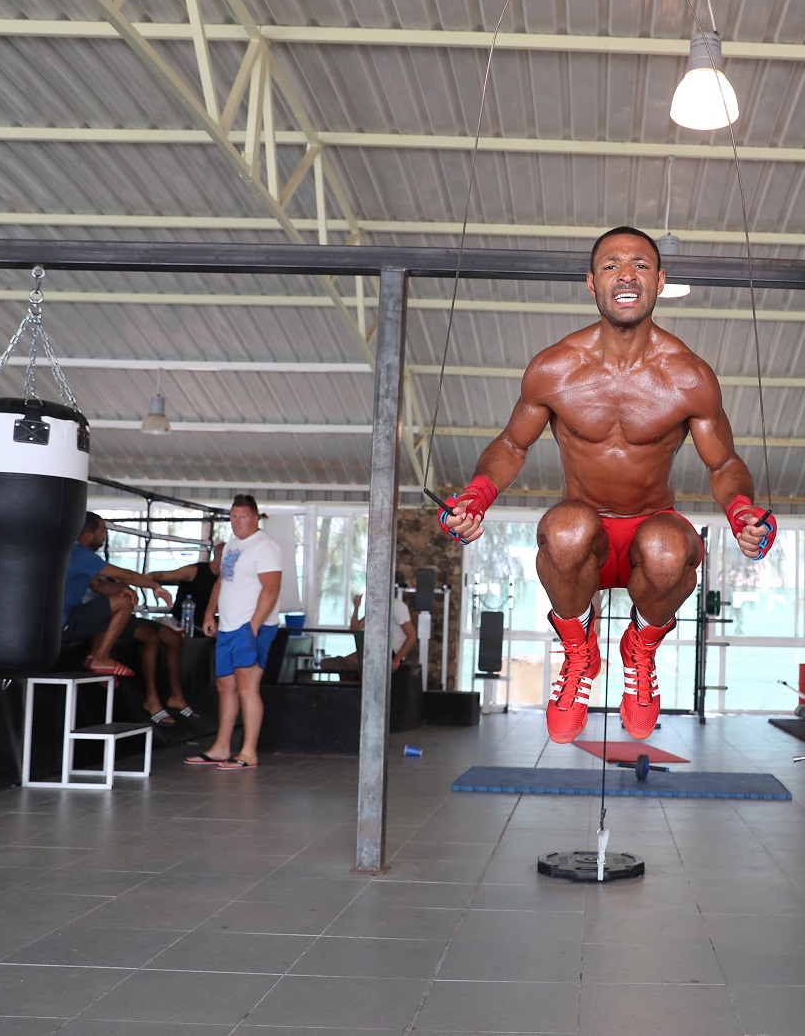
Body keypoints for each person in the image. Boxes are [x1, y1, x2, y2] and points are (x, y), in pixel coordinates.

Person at [437, 226, 775, 743]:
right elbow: (512, 445)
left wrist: (742, 512)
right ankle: (578, 651)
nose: (626, 275)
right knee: (566, 528)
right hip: (585, 537)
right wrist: (476, 497)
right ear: (590, 283)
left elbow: (723, 462)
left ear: (660, 281)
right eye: (611, 265)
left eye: (640, 265)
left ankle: (641, 645)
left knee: (668, 547)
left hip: (649, 533)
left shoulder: (688, 376)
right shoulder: (554, 369)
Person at [62, 512, 199, 727]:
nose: (105, 536)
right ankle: (100, 657)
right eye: (102, 531)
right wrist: (154, 586)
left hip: (72, 617)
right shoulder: (80, 555)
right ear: (88, 534)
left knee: (136, 612)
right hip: (65, 622)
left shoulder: (77, 555)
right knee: (126, 607)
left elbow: (99, 586)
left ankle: (167, 696)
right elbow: (127, 574)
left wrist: (122, 589)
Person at [185, 494, 281, 771]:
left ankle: (249, 752)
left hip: (252, 627)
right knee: (225, 686)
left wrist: (253, 626)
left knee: (247, 686)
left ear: (255, 518)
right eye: (233, 516)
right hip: (227, 626)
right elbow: (221, 581)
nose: (236, 521)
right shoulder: (231, 546)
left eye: (242, 516)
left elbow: (272, 588)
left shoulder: (265, 547)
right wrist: (208, 613)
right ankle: (221, 747)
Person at [320, 574, 417, 677]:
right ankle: (355, 672)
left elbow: (411, 636)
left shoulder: (397, 606)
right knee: (337, 666)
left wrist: (397, 660)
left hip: (389, 652)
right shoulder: (376, 608)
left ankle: (358, 670)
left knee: (346, 667)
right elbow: (355, 629)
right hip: (373, 650)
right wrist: (356, 608)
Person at [150, 541, 224, 636]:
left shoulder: (225, 578)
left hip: (207, 619)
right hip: (186, 620)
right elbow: (162, 575)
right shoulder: (194, 571)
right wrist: (149, 582)